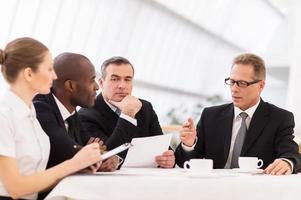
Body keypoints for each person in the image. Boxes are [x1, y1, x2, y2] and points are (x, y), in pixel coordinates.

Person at [0, 37, 101, 199]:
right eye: (49, 69)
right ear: (29, 74)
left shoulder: (30, 114)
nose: (54, 76)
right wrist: (73, 164)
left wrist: (78, 167)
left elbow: (37, 180)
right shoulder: (4, 116)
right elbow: (15, 188)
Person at [175, 53, 301, 175]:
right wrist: (189, 144)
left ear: (261, 85)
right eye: (232, 81)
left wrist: (287, 162)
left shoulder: (280, 118)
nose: (234, 89)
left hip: (256, 191)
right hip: (215, 189)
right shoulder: (210, 115)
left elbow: (291, 153)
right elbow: (184, 163)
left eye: (242, 83)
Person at [78, 56, 175, 168]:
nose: (122, 86)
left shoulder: (145, 107)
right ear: (101, 82)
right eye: (115, 79)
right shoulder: (86, 115)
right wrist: (128, 114)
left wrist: (169, 159)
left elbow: (163, 147)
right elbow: (107, 158)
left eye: (127, 79)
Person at [33, 52, 119, 173]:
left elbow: (91, 147)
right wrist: (90, 154)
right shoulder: (40, 109)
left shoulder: (71, 113)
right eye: (92, 80)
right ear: (70, 86)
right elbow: (66, 150)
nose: (97, 87)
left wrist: (109, 157)